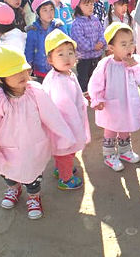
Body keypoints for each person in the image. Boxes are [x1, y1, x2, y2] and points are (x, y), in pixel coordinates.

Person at [0, 46, 75, 220]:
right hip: (7, 149)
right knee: (8, 173)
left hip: (34, 146)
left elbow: (51, 115)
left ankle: (33, 197)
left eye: (23, 70)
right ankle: (13, 189)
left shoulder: (35, 92)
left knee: (33, 176)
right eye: (14, 73)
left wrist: (64, 134)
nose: (22, 75)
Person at [88, 23, 140, 171]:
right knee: (111, 128)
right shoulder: (106, 64)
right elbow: (96, 83)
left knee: (126, 126)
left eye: (131, 42)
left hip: (128, 104)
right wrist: (97, 98)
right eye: (124, 44)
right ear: (112, 48)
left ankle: (125, 151)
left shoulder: (136, 61)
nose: (129, 47)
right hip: (111, 105)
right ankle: (109, 154)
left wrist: (134, 66)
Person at [43, 30, 90, 190]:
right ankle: (66, 178)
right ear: (50, 59)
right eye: (60, 54)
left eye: (70, 53)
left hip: (66, 123)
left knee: (63, 151)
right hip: (65, 125)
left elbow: (74, 93)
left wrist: (81, 98)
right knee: (66, 150)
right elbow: (65, 106)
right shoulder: (58, 81)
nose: (67, 57)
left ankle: (61, 168)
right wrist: (74, 124)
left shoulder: (66, 74)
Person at [69, 0, 106, 93]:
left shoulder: (95, 20)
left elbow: (102, 32)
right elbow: (80, 41)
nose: (90, 7)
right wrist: (93, 46)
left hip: (97, 56)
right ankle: (84, 99)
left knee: (97, 79)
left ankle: (97, 96)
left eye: (91, 4)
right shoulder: (77, 23)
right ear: (78, 6)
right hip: (84, 59)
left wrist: (102, 43)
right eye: (86, 5)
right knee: (84, 80)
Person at [25, 0, 64, 82]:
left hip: (58, 67)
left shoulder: (58, 27)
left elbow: (65, 44)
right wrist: (28, 65)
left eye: (51, 9)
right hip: (40, 69)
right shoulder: (33, 30)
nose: (49, 13)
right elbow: (29, 50)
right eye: (45, 10)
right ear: (38, 13)